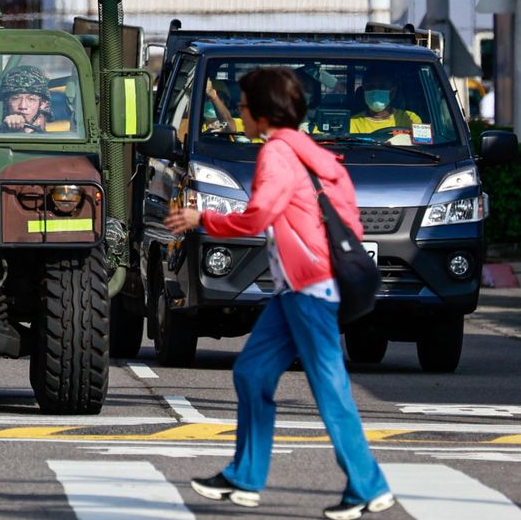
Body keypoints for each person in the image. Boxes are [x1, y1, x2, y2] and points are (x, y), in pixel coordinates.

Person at [164, 67, 396, 520]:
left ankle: (369, 485)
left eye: (245, 107)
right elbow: (346, 207)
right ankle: (245, 478)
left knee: (330, 390)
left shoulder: (276, 153)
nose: (241, 115)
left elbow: (256, 217)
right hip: (298, 286)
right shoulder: (310, 150)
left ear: (263, 113)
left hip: (307, 287)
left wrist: (203, 220)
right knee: (251, 372)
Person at [348, 66, 420, 135]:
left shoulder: (408, 119)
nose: (376, 92)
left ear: (393, 92)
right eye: (370, 87)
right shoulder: (352, 122)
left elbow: (420, 144)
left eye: (382, 87)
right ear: (364, 90)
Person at [0, 65, 53, 133]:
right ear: (6, 102)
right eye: (15, 98)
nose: (23, 106)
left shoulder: (52, 139)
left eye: (31, 99)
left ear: (42, 104)